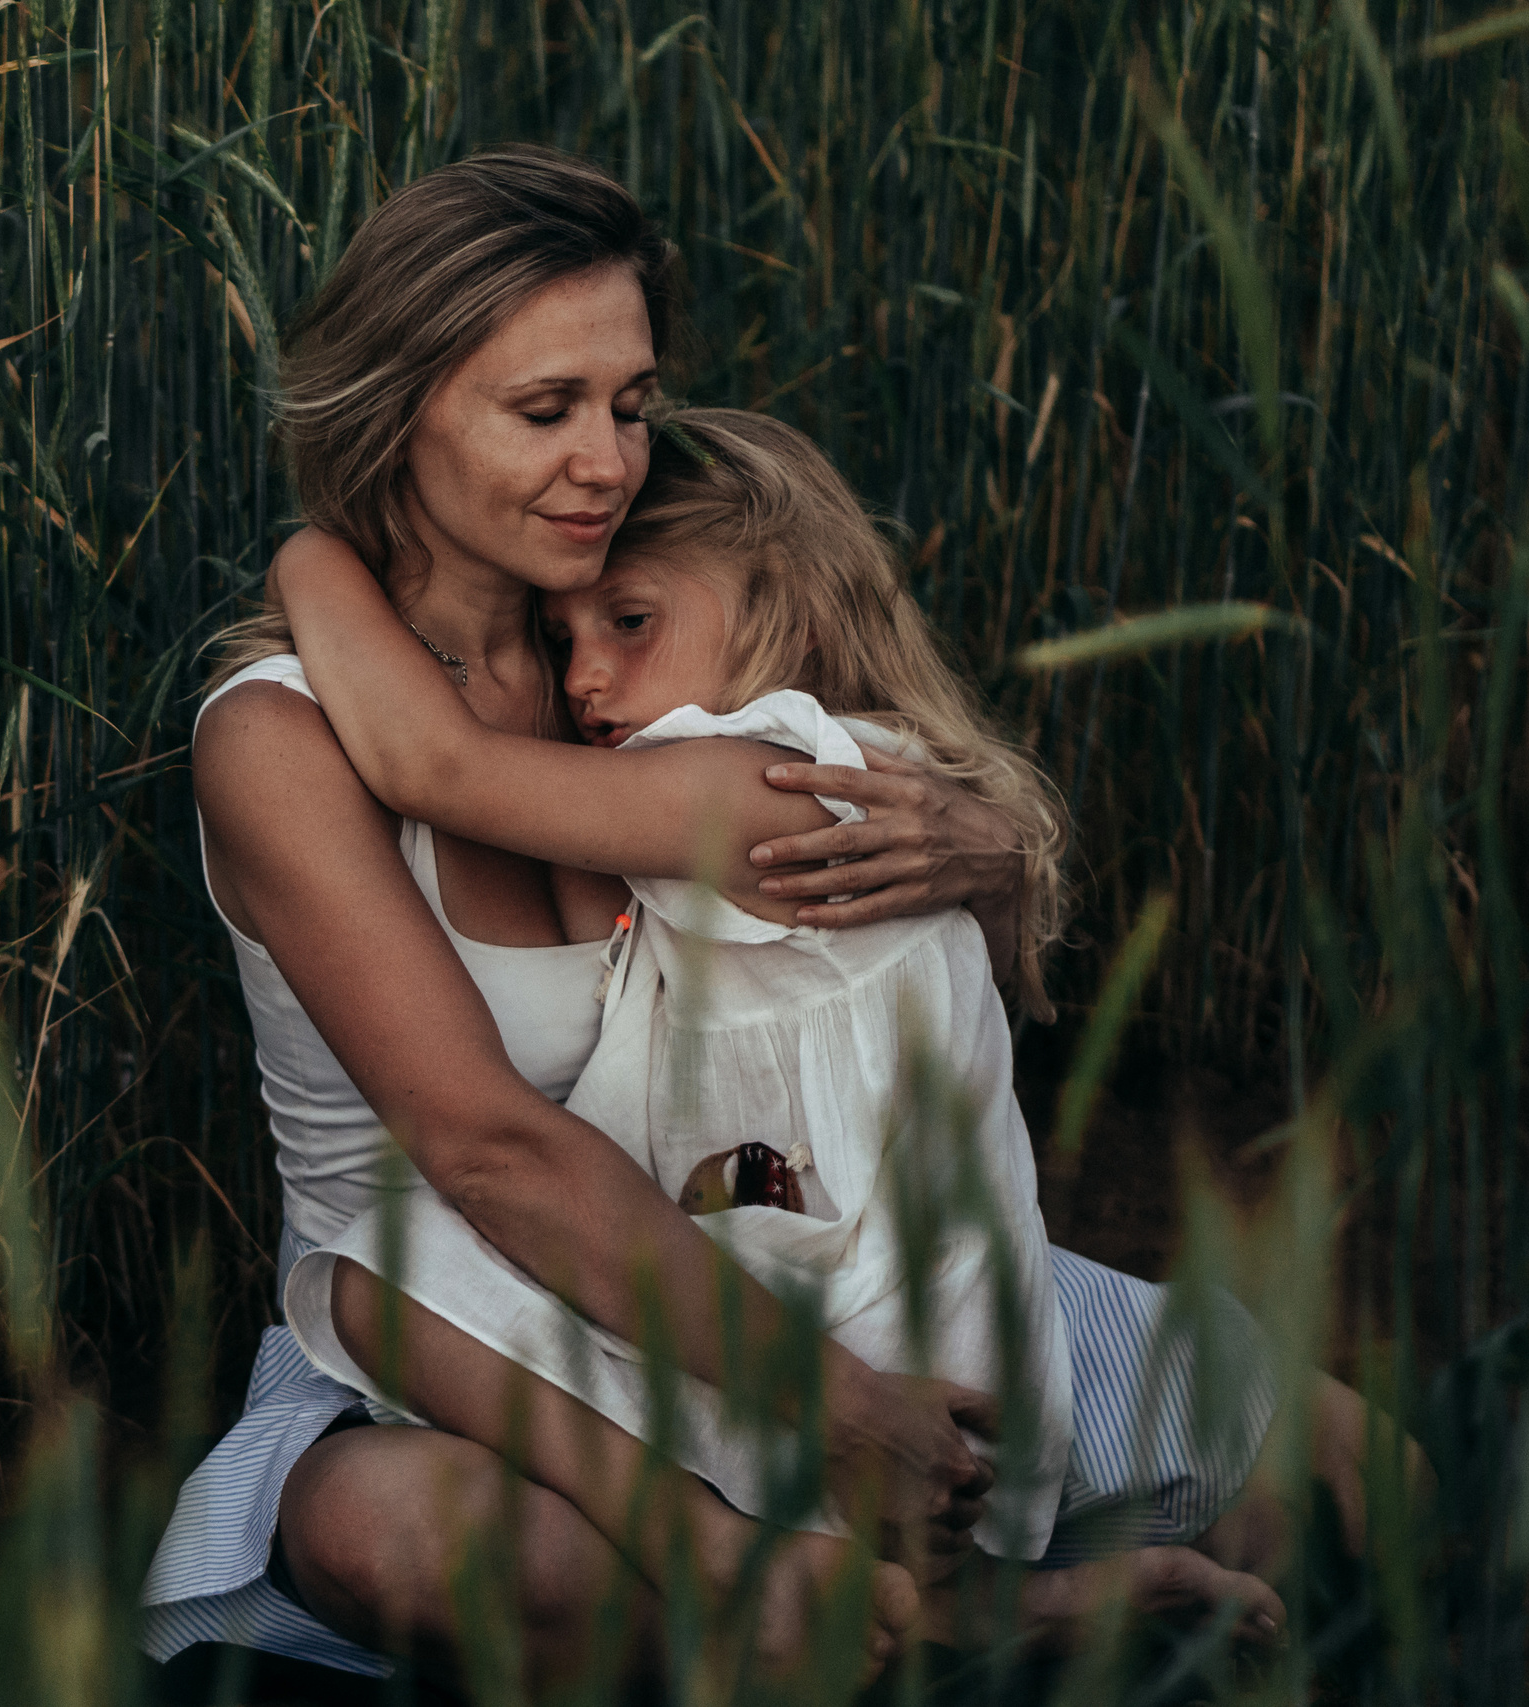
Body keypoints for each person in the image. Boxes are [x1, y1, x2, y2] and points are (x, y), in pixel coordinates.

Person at [140, 146, 1284, 1695]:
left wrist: (992, 842)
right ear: (401, 406)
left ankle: (880, 1598)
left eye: (629, 402)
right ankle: (888, 1602)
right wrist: (832, 1402)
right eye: (545, 410)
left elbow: (895, 869)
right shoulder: (279, 738)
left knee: (1337, 1478)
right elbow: (484, 1151)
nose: (608, 459)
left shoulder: (640, 647)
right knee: (402, 1537)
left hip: (775, 1232)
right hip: (463, 1331)